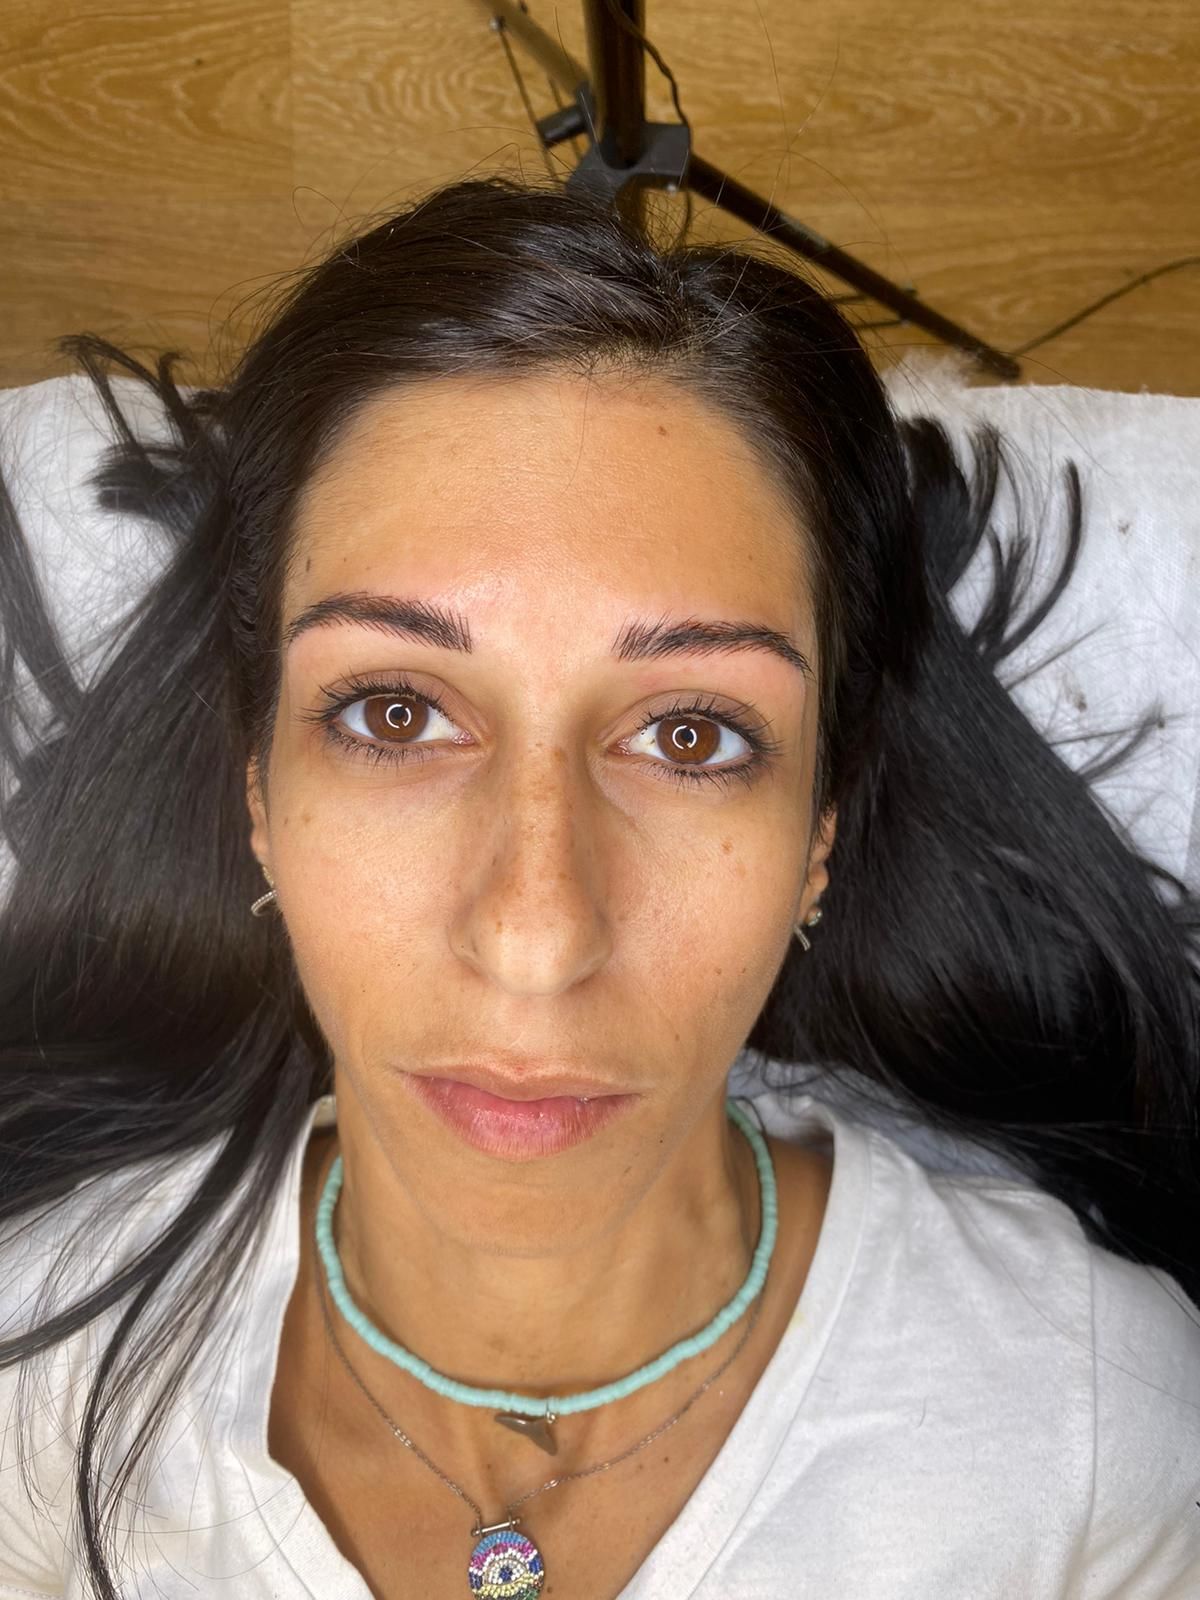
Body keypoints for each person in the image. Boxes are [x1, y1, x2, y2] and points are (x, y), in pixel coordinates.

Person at [0, 174, 1197, 1600]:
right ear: (256, 792)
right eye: (394, 713)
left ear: (822, 830)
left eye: (691, 736)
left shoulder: (1094, 1429)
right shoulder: (38, 1368)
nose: (536, 935)